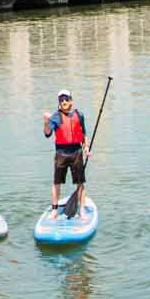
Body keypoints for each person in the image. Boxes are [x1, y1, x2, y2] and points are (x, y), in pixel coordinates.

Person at [43, 89, 90, 221]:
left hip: (76, 152)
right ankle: (54, 210)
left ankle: (82, 210)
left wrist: (86, 147)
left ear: (71, 101)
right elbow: (47, 133)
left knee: (80, 183)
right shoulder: (56, 117)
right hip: (61, 153)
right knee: (57, 182)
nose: (63, 101)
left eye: (66, 99)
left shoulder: (79, 115)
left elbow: (84, 134)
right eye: (61, 100)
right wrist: (46, 122)